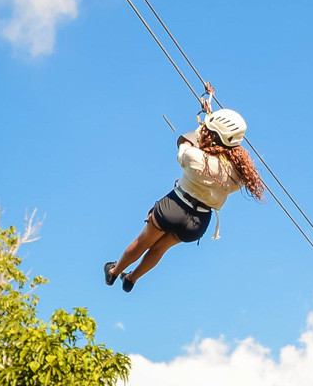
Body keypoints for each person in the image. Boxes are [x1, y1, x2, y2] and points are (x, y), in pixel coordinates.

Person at [104, 108, 265, 292]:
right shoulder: (238, 176)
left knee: (144, 241)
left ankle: (115, 272)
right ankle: (131, 279)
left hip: (175, 206)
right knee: (160, 249)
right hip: (198, 222)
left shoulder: (194, 157)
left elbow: (184, 141)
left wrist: (203, 125)